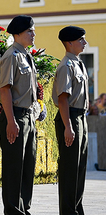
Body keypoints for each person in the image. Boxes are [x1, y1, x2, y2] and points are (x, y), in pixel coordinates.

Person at [0, 15, 38, 215]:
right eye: (29, 31)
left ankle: (24, 208)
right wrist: (11, 121)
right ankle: (13, 210)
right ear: (18, 34)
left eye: (33, 30)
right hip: (15, 116)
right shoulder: (11, 56)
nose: (33, 34)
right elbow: (5, 90)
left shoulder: (26, 56)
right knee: (14, 169)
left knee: (27, 166)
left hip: (28, 117)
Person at [53, 26, 89, 215]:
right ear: (69, 43)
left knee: (80, 167)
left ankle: (76, 209)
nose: (85, 42)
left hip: (80, 118)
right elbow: (62, 99)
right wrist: (68, 126)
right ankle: (68, 211)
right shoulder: (66, 66)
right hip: (71, 118)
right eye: (81, 39)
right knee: (70, 169)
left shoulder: (78, 63)